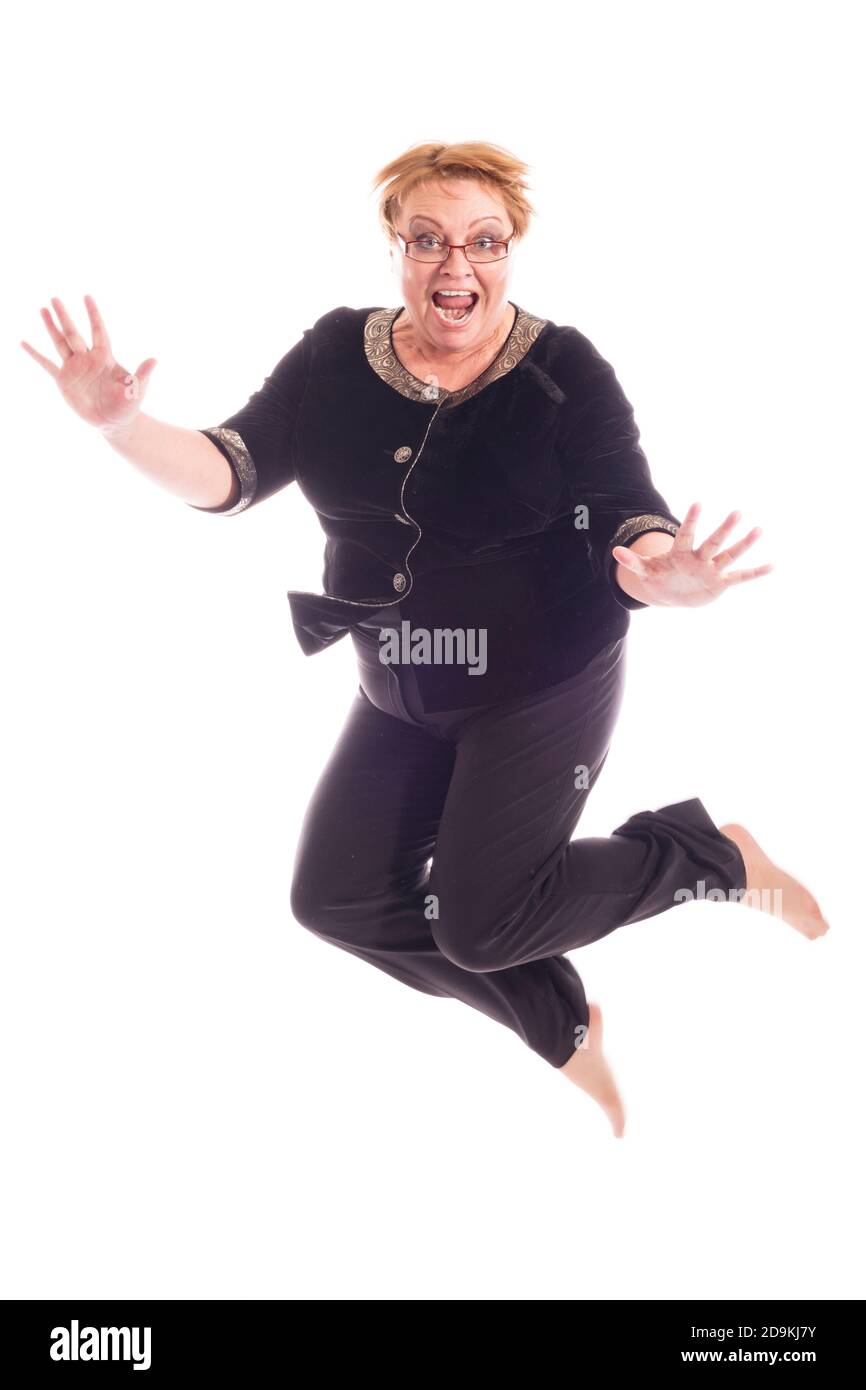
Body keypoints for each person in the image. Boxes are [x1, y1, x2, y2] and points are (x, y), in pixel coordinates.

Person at [21, 140, 829, 1137]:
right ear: (394, 248)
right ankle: (562, 1018)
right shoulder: (332, 354)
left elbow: (626, 507)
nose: (457, 268)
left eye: (483, 243)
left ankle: (706, 855)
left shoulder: (561, 370)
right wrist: (120, 427)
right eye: (428, 241)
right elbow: (230, 470)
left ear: (511, 250)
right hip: (399, 676)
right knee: (336, 899)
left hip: (541, 678)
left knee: (484, 920)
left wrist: (662, 566)